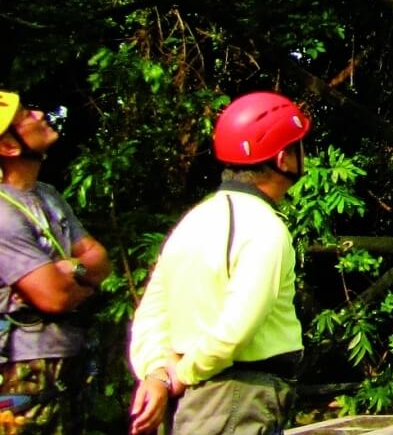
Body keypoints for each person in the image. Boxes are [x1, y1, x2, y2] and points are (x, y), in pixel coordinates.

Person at [128, 92, 313, 435]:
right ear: (283, 158)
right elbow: (236, 329)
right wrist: (183, 374)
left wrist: (157, 372)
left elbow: (152, 311)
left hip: (197, 398)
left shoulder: (193, 221)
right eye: (299, 146)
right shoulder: (264, 228)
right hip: (238, 398)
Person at [0, 90, 111, 434]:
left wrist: (73, 269)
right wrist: (84, 283)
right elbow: (54, 296)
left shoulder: (47, 195)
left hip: (69, 357)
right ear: (9, 147)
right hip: (23, 370)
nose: (37, 114)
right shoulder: (2, 214)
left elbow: (100, 260)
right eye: (24, 116)